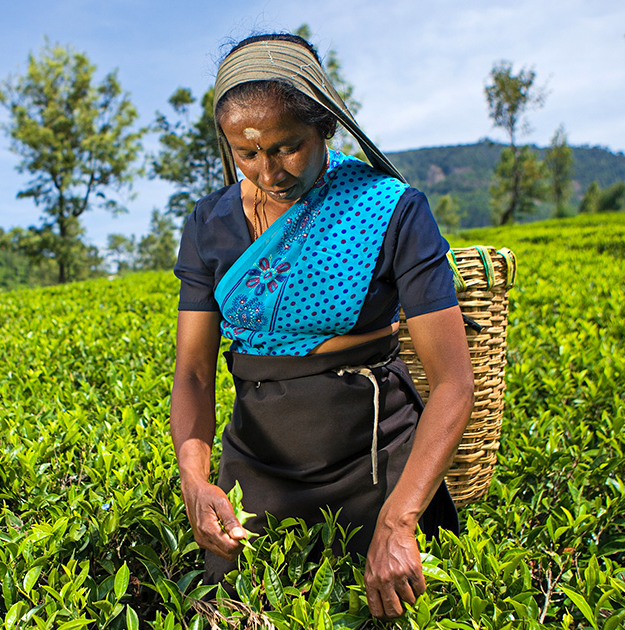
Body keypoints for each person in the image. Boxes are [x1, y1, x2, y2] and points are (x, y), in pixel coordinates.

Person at [170, 33, 474, 620]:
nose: (268, 171)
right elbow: (194, 369)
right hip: (258, 461)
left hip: (376, 459)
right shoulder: (208, 222)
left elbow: (455, 383)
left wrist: (400, 518)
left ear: (327, 128)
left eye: (289, 147)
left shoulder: (390, 208)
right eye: (247, 153)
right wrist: (195, 478)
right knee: (234, 607)